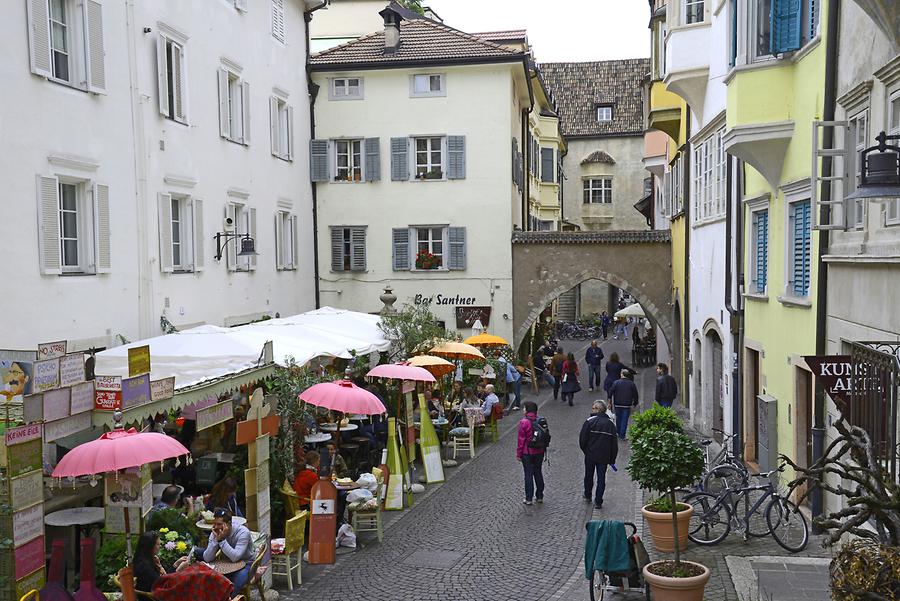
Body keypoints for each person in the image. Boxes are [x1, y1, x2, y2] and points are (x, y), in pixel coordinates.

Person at [203, 508, 255, 596]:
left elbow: (235, 558)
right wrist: (216, 540)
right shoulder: (216, 531)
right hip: (226, 563)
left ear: (229, 524)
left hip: (246, 563)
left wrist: (222, 540)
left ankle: (228, 598)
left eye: (219, 524)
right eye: (214, 524)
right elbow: (207, 558)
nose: (216, 527)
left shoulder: (243, 532)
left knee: (237, 582)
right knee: (208, 578)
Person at [579, 401, 619, 509]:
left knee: (588, 476)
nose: (592, 410)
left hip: (590, 455)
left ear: (597, 409)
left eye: (593, 408)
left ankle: (587, 495)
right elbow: (614, 444)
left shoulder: (589, 422)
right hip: (604, 456)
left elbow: (582, 439)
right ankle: (598, 501)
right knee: (601, 478)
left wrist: (586, 451)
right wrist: (612, 459)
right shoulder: (610, 424)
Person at [516, 401, 547, 505]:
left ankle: (529, 498)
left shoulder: (524, 422)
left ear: (527, 410)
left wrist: (519, 454)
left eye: (524, 408)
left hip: (527, 452)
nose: (523, 410)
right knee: (538, 472)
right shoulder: (541, 420)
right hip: (539, 451)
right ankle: (539, 496)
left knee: (528, 475)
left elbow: (521, 440)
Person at [611, 369, 640, 439]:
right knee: (624, 420)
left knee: (618, 418)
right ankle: (622, 435)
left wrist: (610, 401)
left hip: (617, 403)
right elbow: (635, 394)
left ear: (622, 374)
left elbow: (611, 391)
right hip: (627, 404)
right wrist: (635, 403)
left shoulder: (616, 382)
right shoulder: (631, 383)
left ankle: (618, 431)